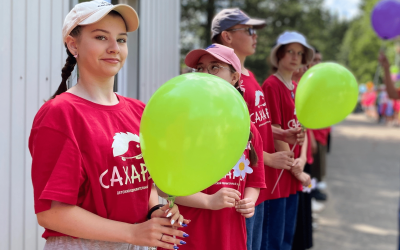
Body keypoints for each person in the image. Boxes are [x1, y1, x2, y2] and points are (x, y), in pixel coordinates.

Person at [29, 1, 188, 249]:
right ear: (73, 45)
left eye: (122, 40)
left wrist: (156, 210)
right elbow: (51, 213)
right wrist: (134, 233)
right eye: (101, 37)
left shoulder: (139, 110)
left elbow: (143, 183)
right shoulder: (60, 114)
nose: (114, 48)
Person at [210, 9, 307, 250]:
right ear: (227, 37)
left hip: (257, 185)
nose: (256, 36)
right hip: (242, 186)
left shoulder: (249, 76)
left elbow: (253, 125)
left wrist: (279, 134)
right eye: (250, 30)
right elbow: (227, 139)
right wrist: (269, 159)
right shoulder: (222, 82)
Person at [163, 44, 266, 250]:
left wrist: (249, 201)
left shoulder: (248, 129)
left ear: (234, 77)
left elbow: (255, 182)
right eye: (200, 68)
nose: (205, 74)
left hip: (229, 236)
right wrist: (208, 201)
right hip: (187, 236)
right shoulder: (181, 124)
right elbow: (163, 187)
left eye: (215, 67)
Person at [262, 31, 314, 249]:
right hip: (279, 173)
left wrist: (302, 160)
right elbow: (274, 131)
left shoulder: (298, 87)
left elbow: (303, 128)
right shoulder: (272, 85)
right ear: (279, 55)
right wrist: (296, 170)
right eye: (290, 52)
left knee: (287, 236)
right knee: (274, 237)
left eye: (300, 53)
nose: (295, 57)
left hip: (293, 171)